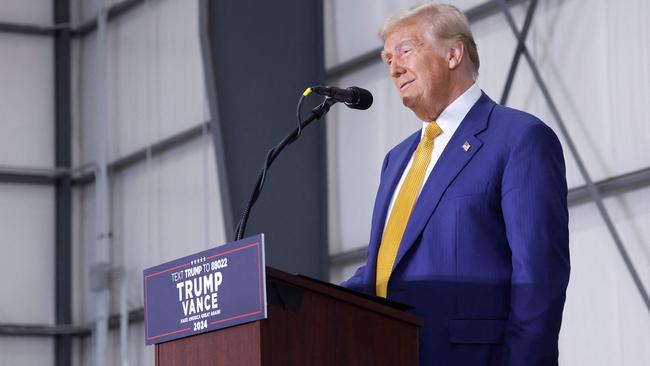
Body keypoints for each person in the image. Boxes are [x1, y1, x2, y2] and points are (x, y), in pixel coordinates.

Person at [341, 3, 570, 365]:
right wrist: (290, 298)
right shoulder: (397, 160)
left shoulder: (519, 139)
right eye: (387, 59)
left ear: (453, 53)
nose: (394, 68)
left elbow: (539, 278)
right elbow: (383, 268)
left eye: (405, 50)